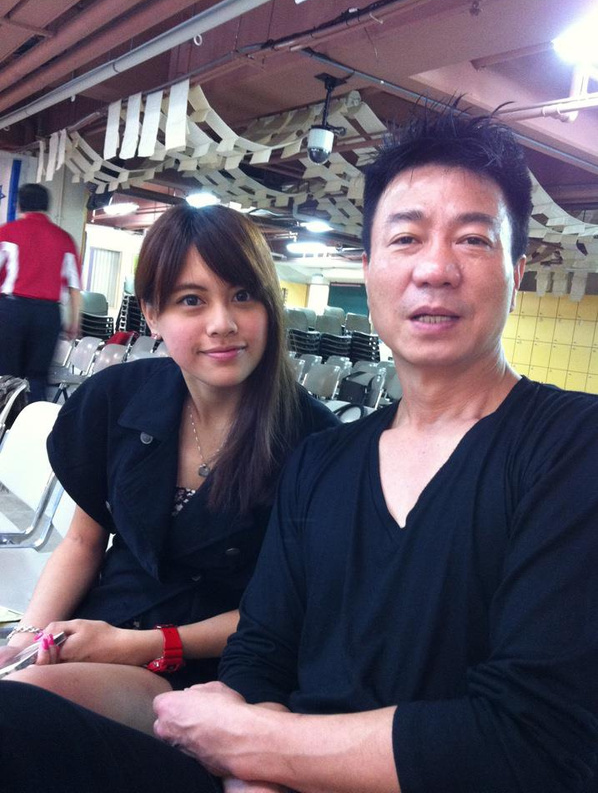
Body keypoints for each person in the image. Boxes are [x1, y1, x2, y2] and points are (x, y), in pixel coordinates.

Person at [1, 106, 597, 793]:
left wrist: (263, 748)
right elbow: (262, 650)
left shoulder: (571, 447)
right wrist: (249, 755)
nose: (435, 267)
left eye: (472, 239)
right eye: (406, 238)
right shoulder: (326, 462)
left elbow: (537, 742)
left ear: (516, 272)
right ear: (368, 269)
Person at [0, 203, 338, 735]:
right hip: (100, 632)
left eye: (243, 296)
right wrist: (27, 638)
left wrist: (141, 645)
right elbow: (83, 542)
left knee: (22, 713)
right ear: (153, 314)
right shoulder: (116, 399)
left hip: (216, 669)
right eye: (191, 300)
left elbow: (291, 612)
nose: (223, 324)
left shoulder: (316, 442)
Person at [0, 183, 82, 402]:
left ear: (19, 205)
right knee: (37, 377)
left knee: (5, 374)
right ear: (46, 206)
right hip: (48, 315)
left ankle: (4, 419)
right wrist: (74, 321)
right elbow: (74, 287)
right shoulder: (65, 239)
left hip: (11, 311)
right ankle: (32, 418)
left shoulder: (7, 232)